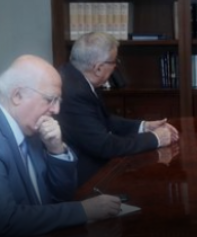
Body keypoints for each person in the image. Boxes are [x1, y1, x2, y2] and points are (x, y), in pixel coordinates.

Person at [0, 55, 121, 237]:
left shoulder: (29, 127)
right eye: (50, 99)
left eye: (58, 101)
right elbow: (7, 223)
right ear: (17, 96)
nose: (56, 110)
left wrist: (56, 149)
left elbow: (62, 196)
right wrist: (83, 211)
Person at [57, 32, 179, 186]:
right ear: (98, 68)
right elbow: (104, 146)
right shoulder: (74, 93)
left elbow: (104, 119)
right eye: (114, 62)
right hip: (84, 179)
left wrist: (144, 126)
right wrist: (155, 139)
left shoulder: (76, 76)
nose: (116, 67)